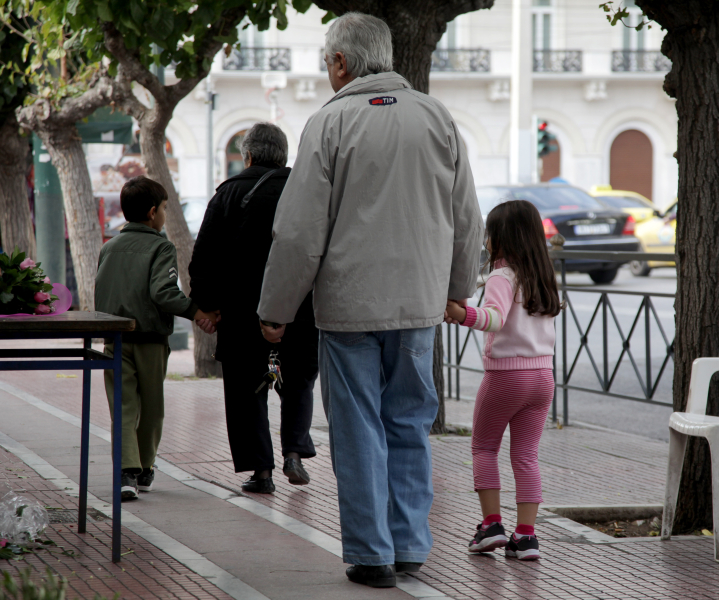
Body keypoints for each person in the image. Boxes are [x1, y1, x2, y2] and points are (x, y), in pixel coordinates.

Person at [256, 12, 483, 589]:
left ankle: (370, 554)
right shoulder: (437, 117)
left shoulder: (330, 122)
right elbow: (466, 219)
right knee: (409, 421)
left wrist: (275, 309)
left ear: (340, 62)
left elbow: (299, 232)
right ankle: (409, 544)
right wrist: (457, 290)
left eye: (325, 61)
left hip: (350, 306)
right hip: (420, 306)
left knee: (358, 428)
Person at [189, 122, 318, 495]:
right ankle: (294, 449)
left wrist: (209, 307)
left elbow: (203, 259)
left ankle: (262, 472)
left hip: (243, 314)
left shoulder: (229, 194)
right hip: (299, 312)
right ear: (284, 156)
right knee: (295, 380)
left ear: (247, 155)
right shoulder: (304, 191)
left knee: (248, 391)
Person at [444, 199, 563, 562]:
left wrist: (461, 314)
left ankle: (491, 526)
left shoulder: (502, 275)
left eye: (490, 232)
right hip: (544, 377)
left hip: (506, 376)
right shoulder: (542, 275)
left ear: (504, 237)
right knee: (526, 455)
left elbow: (494, 318)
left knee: (484, 448)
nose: (486, 239)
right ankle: (526, 537)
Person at [95, 176, 218, 500]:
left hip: (113, 339)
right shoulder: (161, 246)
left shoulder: (109, 247)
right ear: (152, 212)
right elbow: (163, 292)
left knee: (123, 407)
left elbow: (101, 291)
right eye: (164, 208)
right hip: (149, 340)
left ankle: (126, 473)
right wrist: (198, 313)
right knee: (151, 408)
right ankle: (145, 468)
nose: (165, 213)